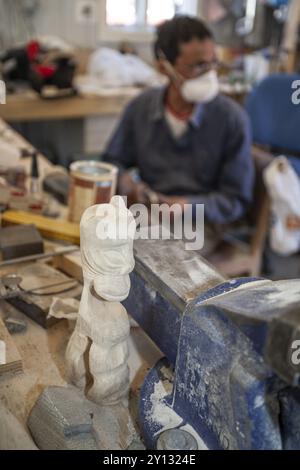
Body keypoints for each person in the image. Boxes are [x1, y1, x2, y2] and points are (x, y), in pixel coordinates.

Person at [103, 15, 254, 252]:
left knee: (150, 254)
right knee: (97, 235)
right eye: (198, 66)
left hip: (202, 221)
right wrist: (126, 182)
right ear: (164, 67)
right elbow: (113, 161)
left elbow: (235, 200)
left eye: (213, 63)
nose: (210, 73)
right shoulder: (141, 108)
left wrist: (186, 206)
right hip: (150, 211)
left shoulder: (231, 119)